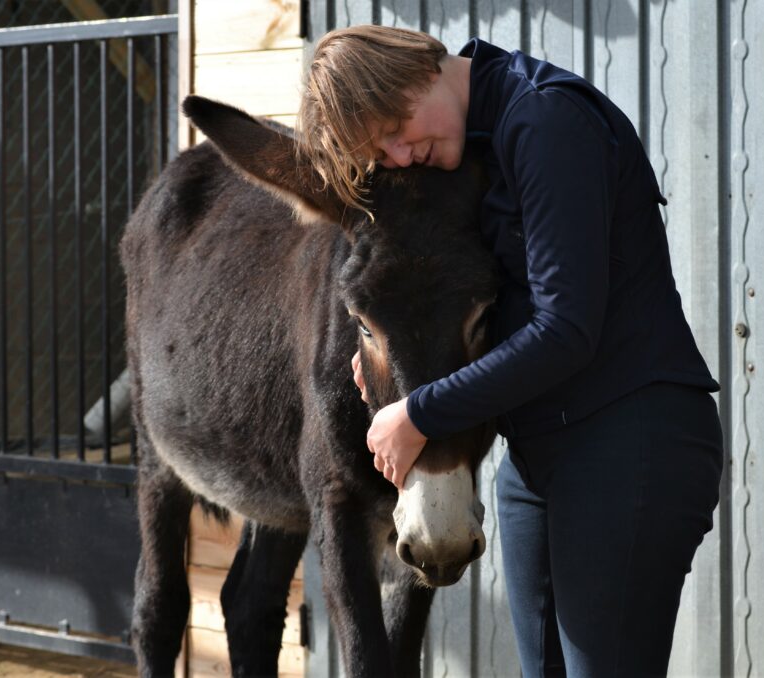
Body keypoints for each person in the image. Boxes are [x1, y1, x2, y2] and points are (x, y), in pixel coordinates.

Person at [297, 24, 724, 677]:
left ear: (420, 70)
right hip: (537, 454)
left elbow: (566, 327)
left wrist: (417, 414)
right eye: (380, 151)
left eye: (395, 126)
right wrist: (385, 364)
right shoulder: (473, 145)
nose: (401, 154)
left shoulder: (544, 122)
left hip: (627, 439)